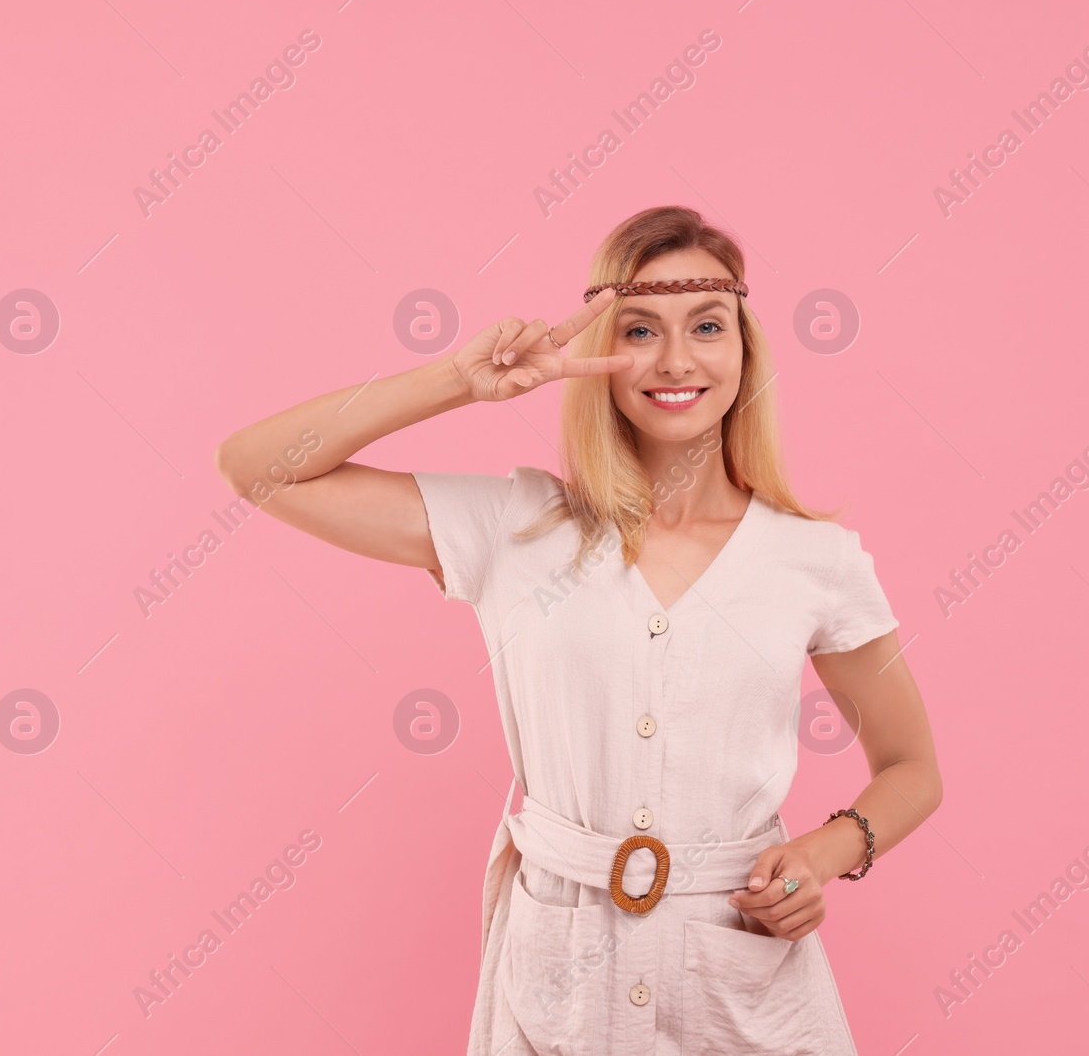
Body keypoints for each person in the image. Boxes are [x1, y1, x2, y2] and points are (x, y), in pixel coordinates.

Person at [214, 205, 943, 1054]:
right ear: (598, 351)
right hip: (556, 984)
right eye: (639, 330)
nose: (675, 360)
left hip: (742, 988)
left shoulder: (813, 559)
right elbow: (257, 466)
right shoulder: (516, 527)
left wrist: (826, 851)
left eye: (706, 326)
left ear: (745, 350)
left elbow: (912, 767)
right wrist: (461, 377)